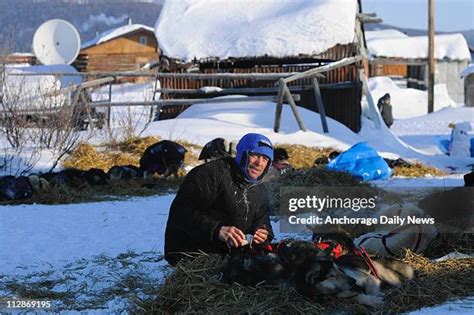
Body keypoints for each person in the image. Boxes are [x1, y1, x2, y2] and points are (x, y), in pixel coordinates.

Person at [164, 133, 275, 265]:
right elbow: (181, 212)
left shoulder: (260, 189)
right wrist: (217, 230)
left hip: (229, 255)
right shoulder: (210, 174)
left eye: (265, 159)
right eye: (255, 155)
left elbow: (263, 220)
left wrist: (262, 233)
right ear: (242, 154)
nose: (259, 163)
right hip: (193, 256)